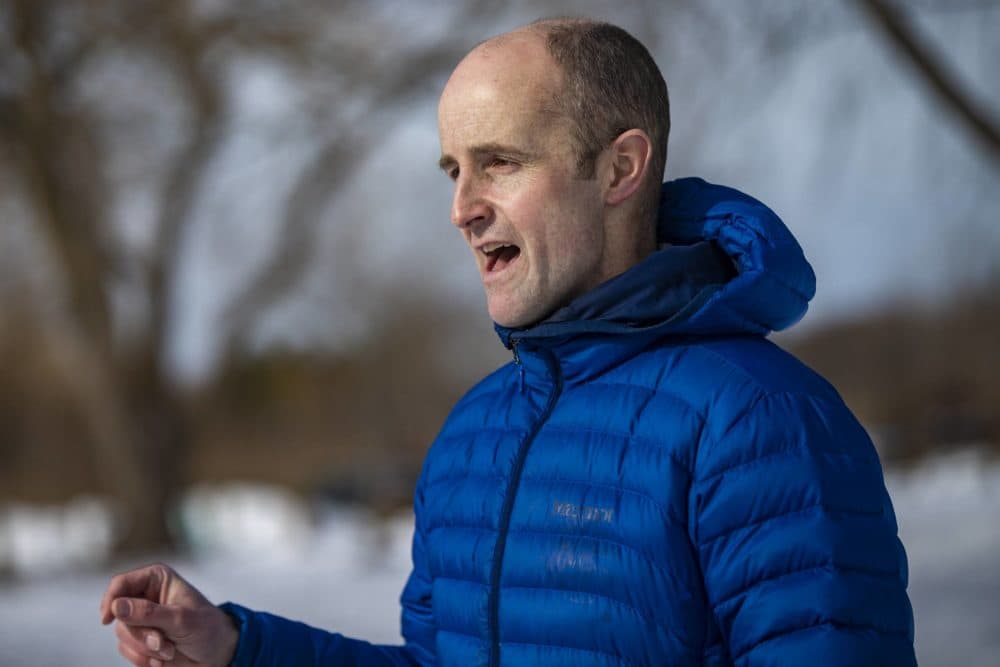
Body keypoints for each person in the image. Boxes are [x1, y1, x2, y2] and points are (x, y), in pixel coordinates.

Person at [99, 18, 917, 667]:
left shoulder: (762, 424)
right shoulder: (474, 436)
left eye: (499, 161)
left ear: (620, 169)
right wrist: (239, 648)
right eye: (453, 168)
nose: (462, 206)